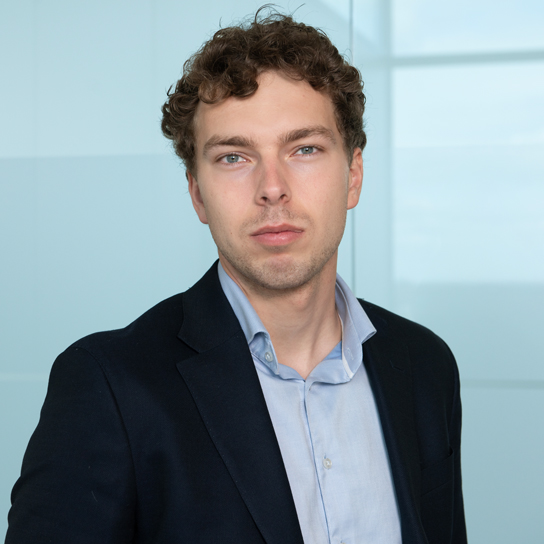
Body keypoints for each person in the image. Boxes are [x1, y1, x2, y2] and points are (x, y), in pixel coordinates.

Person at [5, 8, 467, 544]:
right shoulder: (109, 387)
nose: (272, 187)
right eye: (233, 157)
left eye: (305, 149)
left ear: (354, 175)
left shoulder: (424, 366)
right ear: (197, 193)